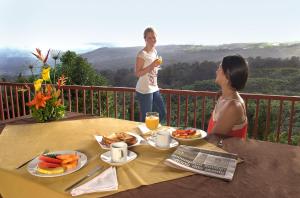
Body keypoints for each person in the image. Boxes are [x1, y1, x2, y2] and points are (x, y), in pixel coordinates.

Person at [207, 55, 249, 139]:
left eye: (219, 68)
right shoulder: (223, 97)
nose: (216, 71)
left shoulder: (234, 106)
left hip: (225, 152)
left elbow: (212, 139)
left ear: (227, 75)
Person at [135, 27, 166, 122]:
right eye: (149, 38)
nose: (152, 39)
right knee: (145, 119)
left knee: (162, 113)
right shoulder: (142, 54)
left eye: (154, 37)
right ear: (145, 39)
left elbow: (152, 69)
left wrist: (156, 65)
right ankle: (143, 135)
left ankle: (151, 131)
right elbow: (138, 73)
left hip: (154, 88)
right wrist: (152, 65)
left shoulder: (154, 51)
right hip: (144, 89)